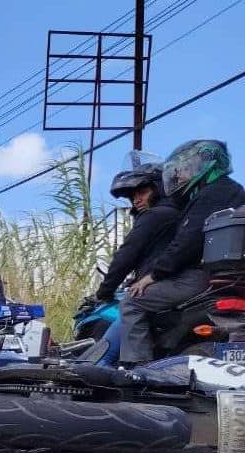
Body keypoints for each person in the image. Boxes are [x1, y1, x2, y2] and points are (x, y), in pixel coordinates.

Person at [121, 140, 245, 365]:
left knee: (131, 301)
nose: (180, 174)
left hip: (198, 278)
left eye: (186, 168)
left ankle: (136, 368)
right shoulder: (233, 191)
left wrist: (153, 275)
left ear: (204, 165)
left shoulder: (210, 194)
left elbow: (187, 242)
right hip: (227, 279)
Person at [87, 156, 180, 366]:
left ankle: (136, 369)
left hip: (159, 286)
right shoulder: (178, 215)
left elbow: (126, 255)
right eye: (133, 196)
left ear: (159, 189)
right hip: (177, 287)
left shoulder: (155, 216)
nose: (136, 200)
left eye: (142, 192)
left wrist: (105, 291)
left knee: (103, 356)